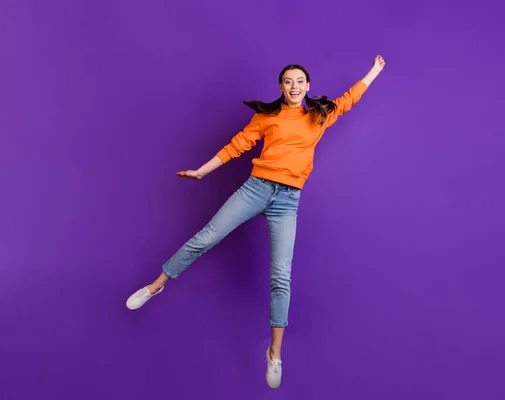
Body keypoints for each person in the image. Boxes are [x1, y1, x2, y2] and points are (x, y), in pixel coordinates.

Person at [125, 55, 386, 389]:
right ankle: (156, 285)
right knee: (206, 238)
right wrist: (202, 172)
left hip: (288, 201)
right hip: (255, 189)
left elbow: (350, 99)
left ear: (308, 87)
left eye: (300, 81)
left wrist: (374, 71)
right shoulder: (268, 115)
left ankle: (274, 352)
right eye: (288, 81)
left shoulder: (320, 117)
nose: (294, 86)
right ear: (281, 87)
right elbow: (238, 145)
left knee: (281, 275)